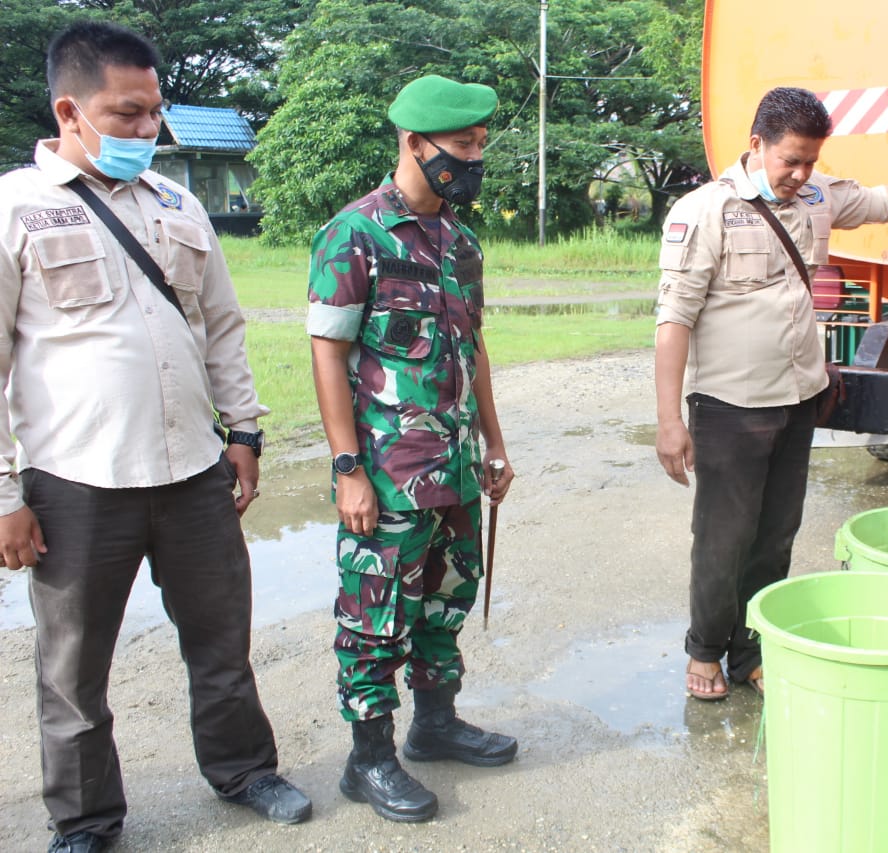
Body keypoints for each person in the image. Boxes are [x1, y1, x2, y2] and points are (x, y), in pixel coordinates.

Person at [0, 20, 311, 853]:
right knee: (72, 674)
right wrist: (4, 497)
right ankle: (87, 821)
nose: (147, 129)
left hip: (193, 473)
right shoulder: (15, 209)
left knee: (221, 641)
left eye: (154, 111)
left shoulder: (179, 204)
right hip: (75, 483)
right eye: (127, 113)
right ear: (71, 109)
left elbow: (221, 328)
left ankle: (245, 769)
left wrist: (243, 432)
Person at [654, 86, 888, 701]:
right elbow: (673, 321)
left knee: (777, 533)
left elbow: (885, 201)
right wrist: (667, 420)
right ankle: (705, 649)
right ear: (756, 144)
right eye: (790, 159)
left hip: (798, 400)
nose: (800, 173)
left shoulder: (817, 197)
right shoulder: (705, 211)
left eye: (811, 160)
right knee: (723, 536)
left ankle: (751, 649)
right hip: (731, 408)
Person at [307, 73, 517, 824]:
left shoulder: (461, 241)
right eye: (462, 146)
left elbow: (476, 347)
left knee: (446, 598)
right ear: (413, 142)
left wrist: (493, 442)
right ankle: (367, 760)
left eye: (479, 145)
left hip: (455, 469)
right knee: (374, 615)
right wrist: (348, 470)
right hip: (389, 477)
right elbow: (327, 354)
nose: (473, 157)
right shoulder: (354, 235)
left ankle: (435, 724)